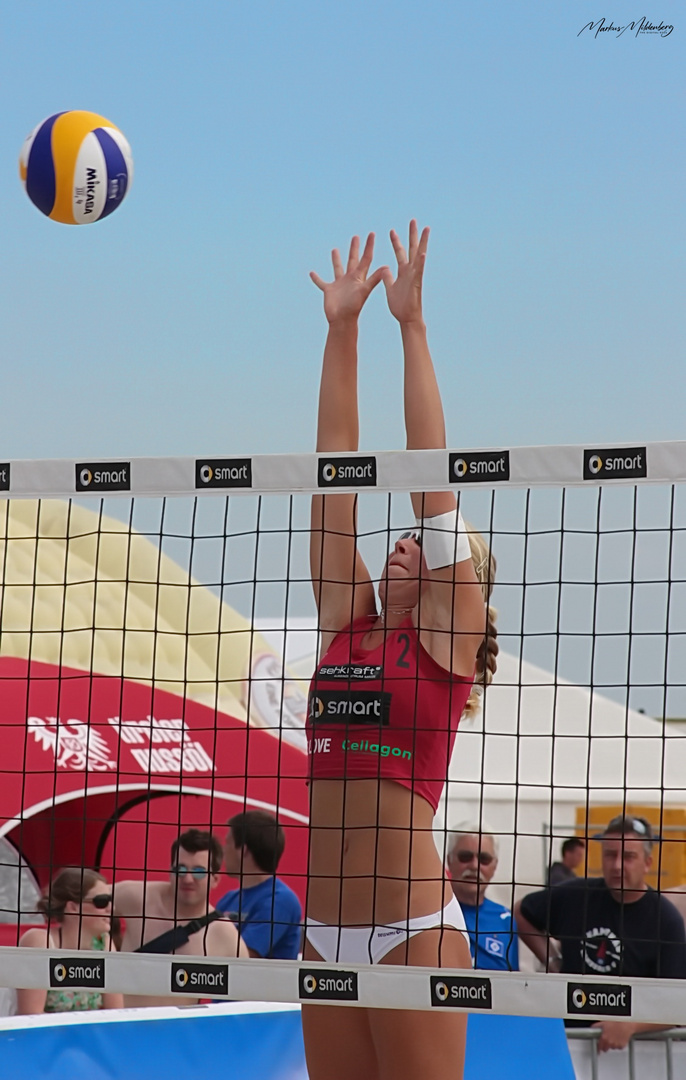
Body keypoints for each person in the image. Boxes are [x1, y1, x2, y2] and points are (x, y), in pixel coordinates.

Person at [302, 223, 498, 1080]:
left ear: (464, 590)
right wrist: (340, 332)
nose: (404, 545)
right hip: (324, 933)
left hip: (412, 933)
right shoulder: (347, 620)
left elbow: (432, 480)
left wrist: (411, 328)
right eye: (404, 542)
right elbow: (331, 476)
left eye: (425, 546)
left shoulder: (446, 647)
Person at [514, 814, 686, 1053]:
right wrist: (551, 959)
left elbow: (678, 1006)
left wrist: (630, 1026)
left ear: (648, 862)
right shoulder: (575, 896)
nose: (617, 865)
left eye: (628, 857)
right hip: (570, 1045)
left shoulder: (666, 920)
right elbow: (520, 912)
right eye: (610, 855)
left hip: (637, 1055)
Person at [115, 828, 247, 1007]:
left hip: (178, 1031)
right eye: (181, 869)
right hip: (123, 1029)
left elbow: (246, 1004)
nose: (188, 878)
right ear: (170, 871)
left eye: (199, 872)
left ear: (215, 879)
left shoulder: (224, 935)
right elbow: (83, 900)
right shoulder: (136, 898)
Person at [16, 867, 123, 1014]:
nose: (111, 908)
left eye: (111, 901)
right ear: (73, 907)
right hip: (47, 1035)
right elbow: (31, 1016)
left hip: (89, 1034)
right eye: (102, 902)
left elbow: (115, 1015)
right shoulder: (40, 942)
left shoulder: (104, 944)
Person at [218, 810, 302, 959]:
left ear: (243, 851)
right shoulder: (229, 899)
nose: (223, 850)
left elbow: (244, 958)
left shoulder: (280, 900)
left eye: (227, 842)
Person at [448, 827, 518, 971]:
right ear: (450, 860)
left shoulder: (506, 919)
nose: (474, 866)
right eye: (465, 857)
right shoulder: (433, 912)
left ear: (495, 866)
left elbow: (514, 983)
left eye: (484, 859)